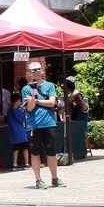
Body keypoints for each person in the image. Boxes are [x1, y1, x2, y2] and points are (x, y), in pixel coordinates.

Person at [23, 61, 64, 189]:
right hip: (34, 125)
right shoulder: (26, 89)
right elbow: (30, 108)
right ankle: (38, 179)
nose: (35, 73)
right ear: (29, 73)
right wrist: (33, 100)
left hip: (49, 123)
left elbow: (52, 103)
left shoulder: (50, 86)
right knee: (35, 153)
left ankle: (54, 178)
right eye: (32, 70)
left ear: (42, 71)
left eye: (37, 70)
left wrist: (36, 100)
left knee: (51, 151)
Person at [7, 93, 29, 170]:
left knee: (15, 149)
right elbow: (23, 119)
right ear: (18, 101)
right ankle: (26, 163)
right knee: (25, 148)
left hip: (13, 132)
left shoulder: (9, 111)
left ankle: (15, 164)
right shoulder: (18, 111)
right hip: (21, 132)